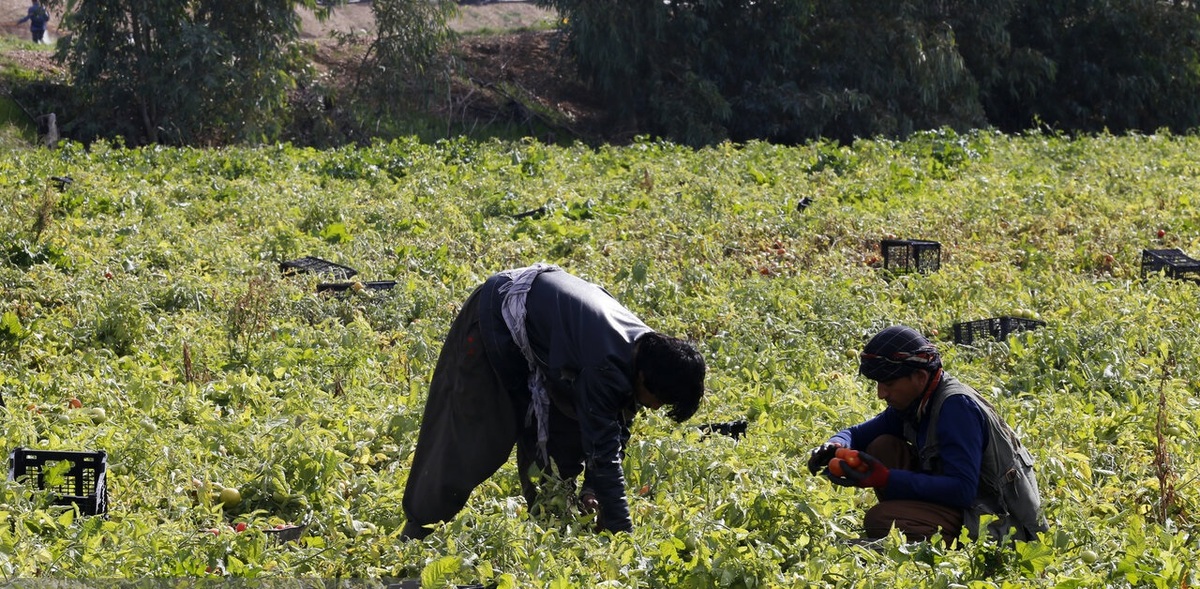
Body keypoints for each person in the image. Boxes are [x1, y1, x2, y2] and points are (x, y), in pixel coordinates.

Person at [400, 263, 706, 540]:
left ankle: (553, 524)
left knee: (563, 439)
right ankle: (418, 530)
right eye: (659, 400)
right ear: (645, 378)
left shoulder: (646, 352)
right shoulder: (607, 362)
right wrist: (621, 533)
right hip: (496, 317)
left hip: (547, 340)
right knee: (474, 436)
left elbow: (617, 423)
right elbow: (604, 446)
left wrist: (593, 489)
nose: (653, 408)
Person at [806, 325, 1047, 542]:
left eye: (888, 384)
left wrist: (885, 479)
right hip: (965, 504)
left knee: (880, 520)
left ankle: (926, 538)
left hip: (998, 522)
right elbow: (859, 433)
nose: (881, 394)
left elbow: (962, 490)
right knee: (883, 445)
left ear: (920, 377)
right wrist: (835, 445)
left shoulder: (956, 409)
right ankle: (915, 525)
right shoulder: (916, 401)